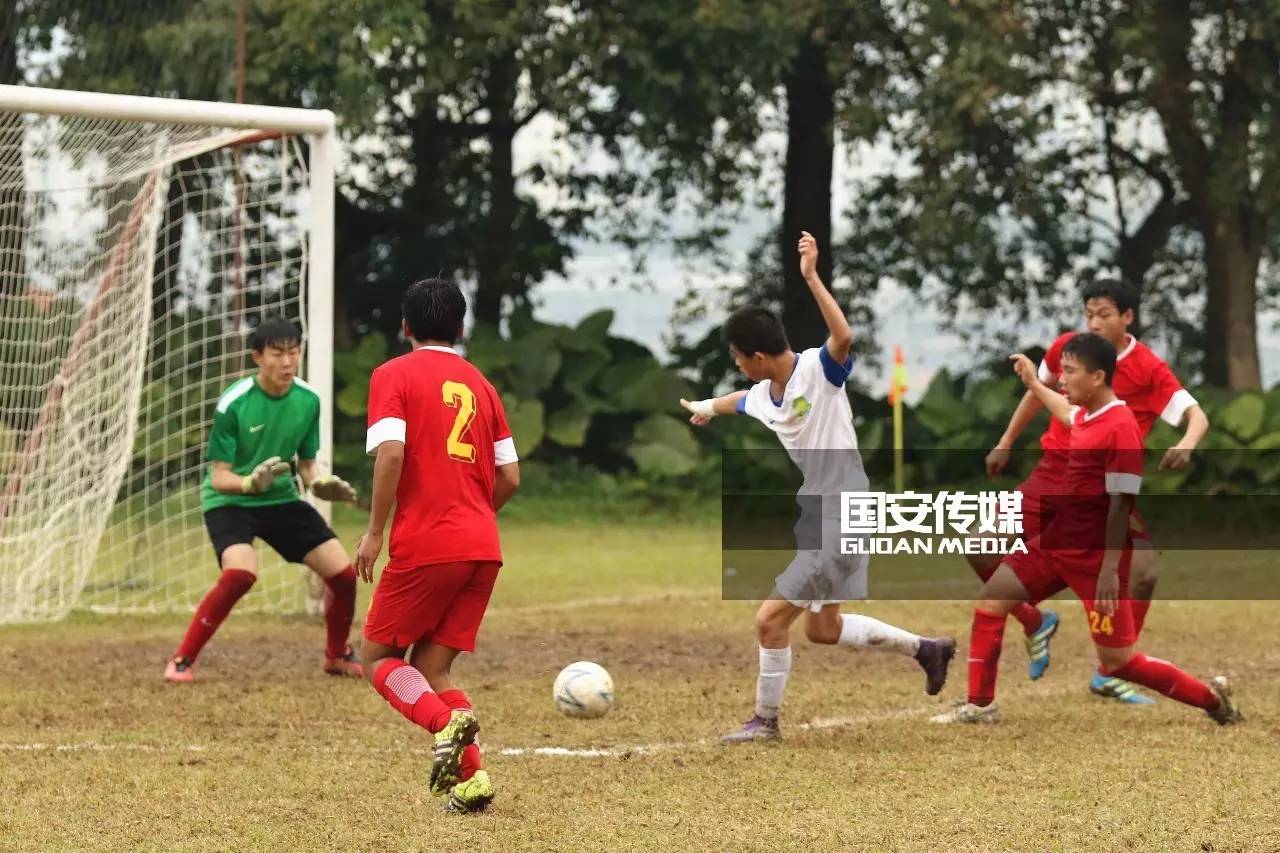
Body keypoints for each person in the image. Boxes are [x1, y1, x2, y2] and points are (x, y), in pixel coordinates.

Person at [681, 231, 956, 744]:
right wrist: (704, 407)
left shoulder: (818, 370)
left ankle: (765, 722)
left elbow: (845, 337)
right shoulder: (765, 393)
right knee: (821, 630)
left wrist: (811, 277)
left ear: (757, 354)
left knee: (769, 622)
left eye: (740, 357)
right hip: (826, 514)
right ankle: (927, 649)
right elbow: (738, 400)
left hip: (845, 512)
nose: (739, 366)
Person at [932, 332, 1240, 725]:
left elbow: (1120, 505)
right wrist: (1031, 383)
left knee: (1120, 662)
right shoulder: (1089, 414)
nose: (1062, 379)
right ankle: (979, 705)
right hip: (1056, 542)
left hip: (1096, 560)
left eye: (1071, 372)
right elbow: (1065, 411)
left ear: (1097, 378)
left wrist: (1111, 569)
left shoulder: (1121, 428)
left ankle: (1213, 701)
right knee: (992, 602)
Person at [979, 279, 1208, 702]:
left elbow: (1196, 416)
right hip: (1053, 474)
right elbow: (1039, 393)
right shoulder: (1069, 348)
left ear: (1127, 317)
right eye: (1089, 313)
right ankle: (1034, 621)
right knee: (978, 543)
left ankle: (1112, 667)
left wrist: (1186, 444)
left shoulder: (1150, 368)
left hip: (1103, 488)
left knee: (1144, 574)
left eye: (1104, 314)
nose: (1094, 322)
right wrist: (1007, 440)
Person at [356, 278, 520, 814]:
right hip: (482, 545)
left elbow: (392, 455)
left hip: (428, 542)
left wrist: (376, 531)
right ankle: (472, 782)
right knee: (433, 665)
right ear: (462, 328)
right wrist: (472, 515)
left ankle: (443, 723)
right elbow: (510, 476)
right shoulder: (482, 385)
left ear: (405, 328)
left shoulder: (393, 375)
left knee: (377, 655)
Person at [165, 318, 361, 683]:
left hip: (280, 499)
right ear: (257, 357)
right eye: (277, 354)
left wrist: (321, 484)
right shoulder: (234, 404)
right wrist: (250, 483)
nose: (287, 362)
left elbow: (306, 466)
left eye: (294, 352)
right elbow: (220, 476)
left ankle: (337, 655)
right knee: (241, 573)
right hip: (229, 500)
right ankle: (182, 659)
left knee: (344, 575)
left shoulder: (308, 400)